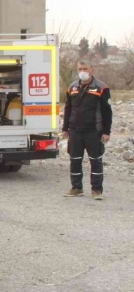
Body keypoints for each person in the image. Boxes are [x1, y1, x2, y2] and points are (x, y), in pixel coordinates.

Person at [61, 60, 112, 200]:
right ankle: (76, 188)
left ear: (92, 70)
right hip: (75, 131)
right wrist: (65, 128)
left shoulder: (101, 88)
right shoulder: (72, 87)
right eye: (80, 68)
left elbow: (107, 111)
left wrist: (106, 132)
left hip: (94, 131)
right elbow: (68, 109)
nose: (82, 71)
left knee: (95, 161)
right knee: (75, 160)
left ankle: (96, 190)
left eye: (85, 68)